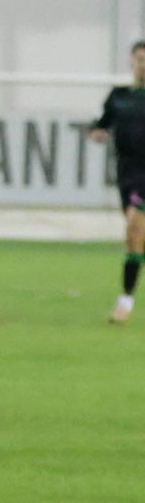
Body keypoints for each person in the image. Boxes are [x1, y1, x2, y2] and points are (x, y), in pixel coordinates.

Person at [89, 40, 145, 324]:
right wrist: (96, 132)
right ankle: (127, 298)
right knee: (136, 239)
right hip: (127, 175)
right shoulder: (119, 96)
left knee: (136, 226)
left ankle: (125, 302)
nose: (143, 64)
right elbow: (101, 124)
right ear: (131, 62)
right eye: (139, 59)